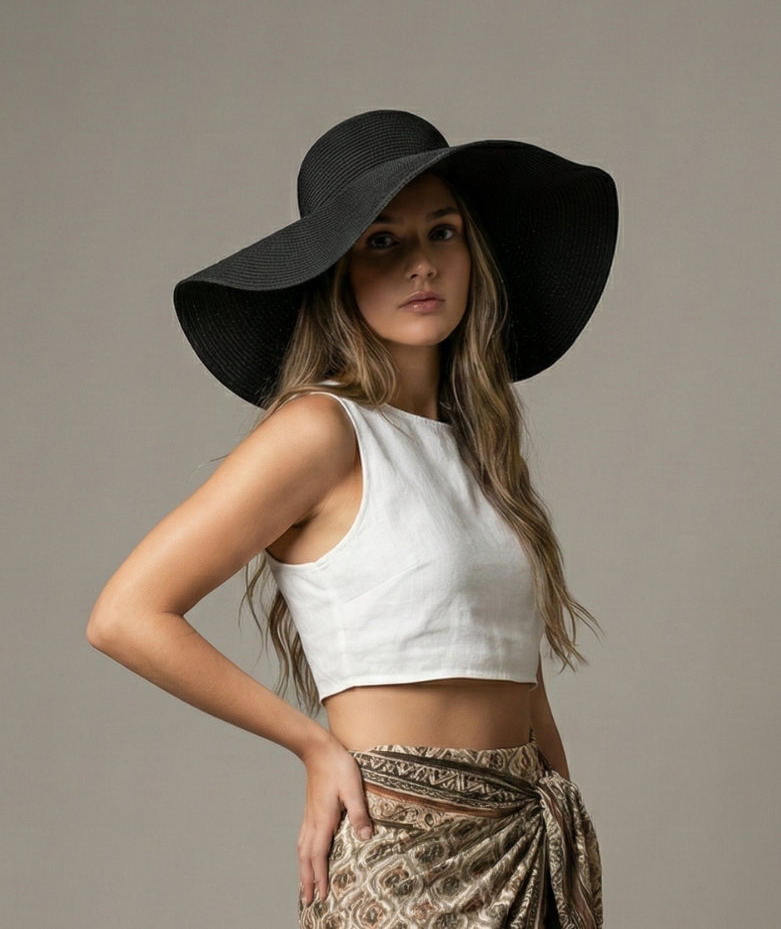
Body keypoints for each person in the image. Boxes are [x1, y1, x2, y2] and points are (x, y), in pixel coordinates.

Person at [87, 109, 619, 928]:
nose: (420, 265)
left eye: (441, 233)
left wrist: (563, 838)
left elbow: (518, 674)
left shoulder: (476, 450)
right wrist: (312, 745)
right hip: (400, 851)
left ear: (472, 252)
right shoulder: (320, 431)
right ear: (338, 272)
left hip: (524, 839)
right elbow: (125, 615)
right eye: (382, 242)